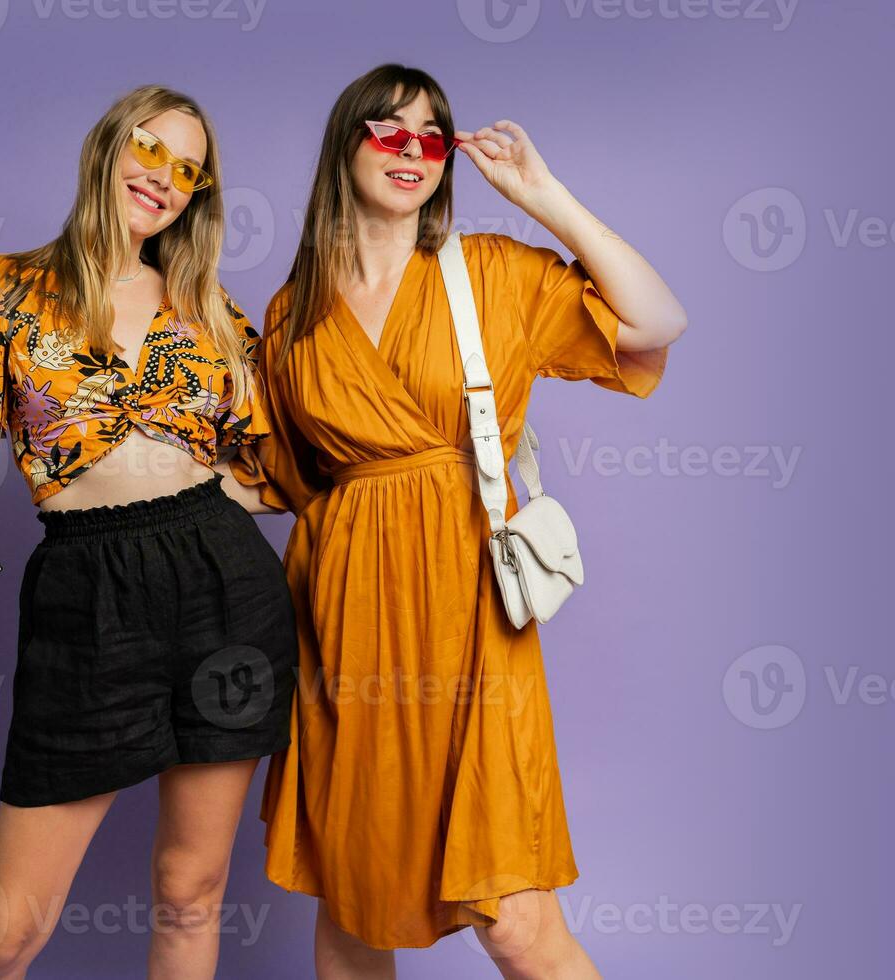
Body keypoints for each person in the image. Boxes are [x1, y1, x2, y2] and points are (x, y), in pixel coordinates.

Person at [228, 64, 688, 978]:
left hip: (470, 609)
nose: (413, 149)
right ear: (345, 144)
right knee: (357, 903)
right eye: (388, 129)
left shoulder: (489, 274)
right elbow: (270, 478)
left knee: (514, 918)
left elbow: (655, 320)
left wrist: (543, 196)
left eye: (432, 135)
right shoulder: (292, 316)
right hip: (344, 620)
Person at [0, 84, 297, 980]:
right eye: (149, 151)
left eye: (188, 171)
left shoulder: (211, 309)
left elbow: (271, 469)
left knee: (191, 891)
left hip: (227, 593)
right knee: (6, 933)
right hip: (88, 595)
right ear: (106, 149)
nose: (164, 179)